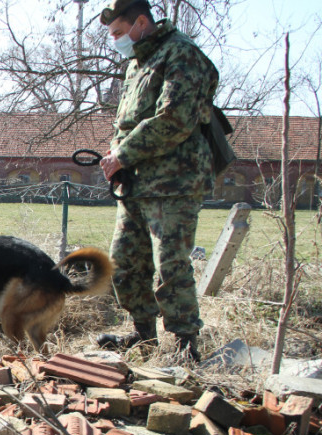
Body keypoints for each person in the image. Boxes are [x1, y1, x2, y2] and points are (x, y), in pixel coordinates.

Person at [95, 0, 219, 362]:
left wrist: (123, 154)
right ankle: (142, 334)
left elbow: (175, 118)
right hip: (135, 181)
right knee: (125, 261)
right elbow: (128, 122)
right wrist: (115, 153)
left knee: (171, 265)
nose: (115, 41)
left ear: (142, 23)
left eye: (119, 33)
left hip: (174, 182)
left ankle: (184, 345)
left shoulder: (182, 53)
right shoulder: (138, 63)